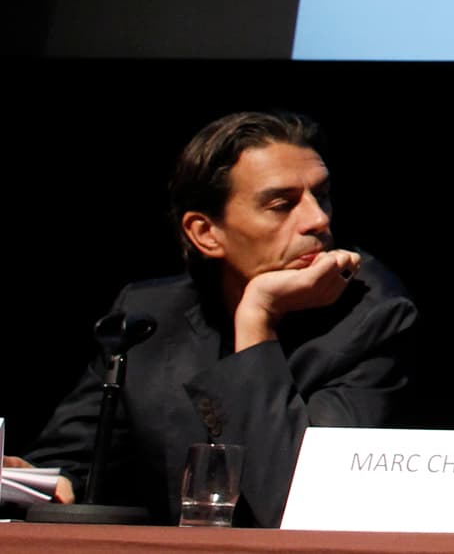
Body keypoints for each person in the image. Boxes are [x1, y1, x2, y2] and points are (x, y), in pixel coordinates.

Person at [18, 110, 416, 526]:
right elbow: (69, 466)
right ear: (206, 233)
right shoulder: (148, 318)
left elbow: (299, 500)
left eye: (322, 195)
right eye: (282, 205)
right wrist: (35, 479)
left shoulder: (372, 314)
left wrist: (256, 317)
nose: (318, 219)